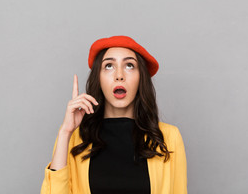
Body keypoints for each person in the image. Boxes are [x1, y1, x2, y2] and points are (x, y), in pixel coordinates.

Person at [40, 35, 188, 194]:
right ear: (99, 78)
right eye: (109, 66)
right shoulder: (74, 138)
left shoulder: (169, 138)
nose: (119, 75)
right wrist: (65, 132)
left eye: (130, 65)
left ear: (141, 78)